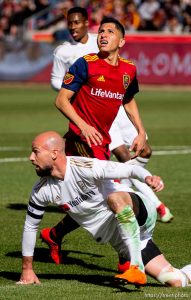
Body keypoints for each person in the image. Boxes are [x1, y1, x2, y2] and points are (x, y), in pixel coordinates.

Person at [41, 12, 172, 265]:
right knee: (113, 195)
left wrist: (141, 131)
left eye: (110, 32)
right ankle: (126, 259)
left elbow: (128, 99)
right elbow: (61, 100)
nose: (103, 35)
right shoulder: (85, 63)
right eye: (101, 31)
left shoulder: (129, 69)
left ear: (121, 41)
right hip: (81, 140)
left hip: (102, 140)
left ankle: (54, 234)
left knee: (97, 199)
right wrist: (83, 125)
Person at [17, 131, 191, 287]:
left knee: (114, 198)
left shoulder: (85, 167)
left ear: (54, 153)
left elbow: (131, 169)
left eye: (36, 151)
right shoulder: (41, 190)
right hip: (126, 239)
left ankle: (136, 268)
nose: (31, 157)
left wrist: (148, 177)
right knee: (175, 281)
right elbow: (30, 226)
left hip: (137, 210)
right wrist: (27, 269)